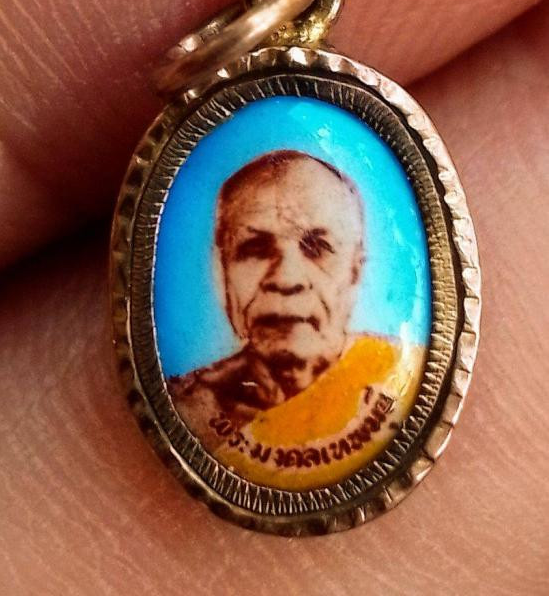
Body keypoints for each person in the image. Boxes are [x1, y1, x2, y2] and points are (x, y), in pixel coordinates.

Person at [167, 150, 425, 488]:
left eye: (317, 247)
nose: (286, 279)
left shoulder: (406, 377)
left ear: (355, 273)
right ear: (222, 271)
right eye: (255, 249)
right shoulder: (187, 408)